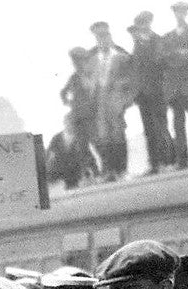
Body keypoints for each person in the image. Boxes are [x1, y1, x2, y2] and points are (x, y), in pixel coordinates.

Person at [87, 22, 136, 180]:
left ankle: (121, 170)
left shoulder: (121, 57)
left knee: (118, 133)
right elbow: (87, 82)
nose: (103, 40)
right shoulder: (92, 60)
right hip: (99, 103)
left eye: (105, 36)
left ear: (110, 37)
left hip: (115, 100)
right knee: (103, 136)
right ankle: (109, 171)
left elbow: (131, 80)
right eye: (99, 37)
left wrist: (125, 100)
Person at [160, 1, 188, 169]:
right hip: (175, 88)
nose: (180, 15)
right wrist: (180, 53)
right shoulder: (167, 37)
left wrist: (174, 56)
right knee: (178, 125)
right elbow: (163, 58)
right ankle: (182, 161)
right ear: (174, 14)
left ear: (186, 13)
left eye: (182, 12)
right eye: (177, 12)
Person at [128, 11, 173, 174]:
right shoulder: (138, 44)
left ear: (150, 23)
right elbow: (136, 69)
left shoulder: (157, 41)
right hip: (142, 94)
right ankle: (154, 164)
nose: (143, 27)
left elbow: (160, 63)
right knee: (149, 129)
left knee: (161, 126)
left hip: (157, 91)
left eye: (145, 23)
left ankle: (168, 161)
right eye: (140, 24)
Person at [46, 114, 101, 190]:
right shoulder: (56, 138)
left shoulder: (81, 138)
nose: (70, 125)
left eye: (72, 123)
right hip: (60, 177)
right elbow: (49, 157)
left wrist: (96, 173)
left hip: (78, 175)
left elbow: (89, 156)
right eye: (68, 122)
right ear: (64, 123)